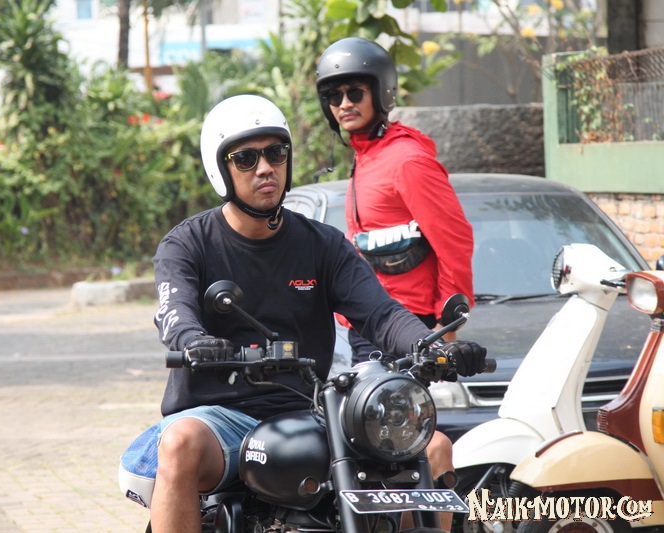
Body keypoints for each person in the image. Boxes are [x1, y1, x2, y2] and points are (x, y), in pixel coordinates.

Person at [117, 95, 487, 532]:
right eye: (246, 158)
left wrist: (432, 346)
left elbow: (381, 314)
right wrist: (193, 341)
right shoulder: (187, 244)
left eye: (276, 153)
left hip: (311, 410)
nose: (264, 168)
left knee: (433, 448)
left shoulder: (322, 244)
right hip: (219, 418)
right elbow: (174, 312)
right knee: (180, 443)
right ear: (221, 169)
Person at [315, 36, 476, 527]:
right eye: (333, 95)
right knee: (374, 463)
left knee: (410, 455)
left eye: (354, 92)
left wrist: (446, 329)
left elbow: (455, 241)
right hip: (364, 335)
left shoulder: (406, 160)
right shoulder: (367, 157)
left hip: (404, 333)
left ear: (380, 93)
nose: (343, 103)